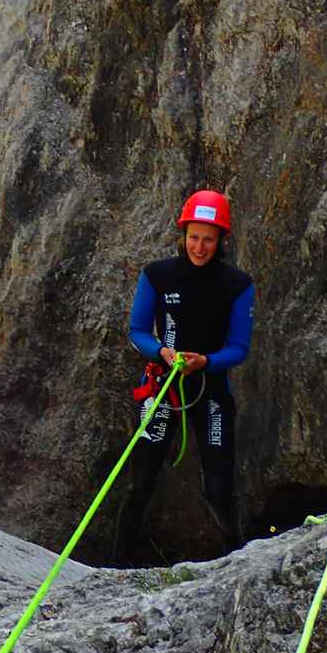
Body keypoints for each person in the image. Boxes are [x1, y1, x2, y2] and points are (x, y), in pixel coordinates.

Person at [115, 189, 255, 566]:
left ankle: (237, 560)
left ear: (221, 239)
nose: (199, 246)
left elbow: (239, 346)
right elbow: (138, 330)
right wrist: (162, 351)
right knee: (141, 479)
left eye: (208, 239)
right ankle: (117, 565)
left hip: (210, 389)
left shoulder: (237, 285)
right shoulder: (157, 276)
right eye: (193, 237)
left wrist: (205, 360)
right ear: (183, 234)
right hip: (164, 387)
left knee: (220, 485)